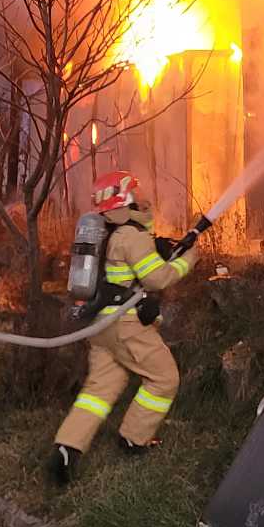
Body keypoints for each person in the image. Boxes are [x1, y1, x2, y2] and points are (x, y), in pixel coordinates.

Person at [49, 172, 198, 486]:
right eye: (136, 193)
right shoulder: (131, 236)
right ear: (126, 200)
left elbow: (126, 272)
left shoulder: (105, 233)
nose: (142, 198)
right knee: (164, 378)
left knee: (99, 390)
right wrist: (188, 259)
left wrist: (156, 247)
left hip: (101, 326)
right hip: (125, 325)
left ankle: (67, 447)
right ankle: (134, 438)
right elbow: (156, 279)